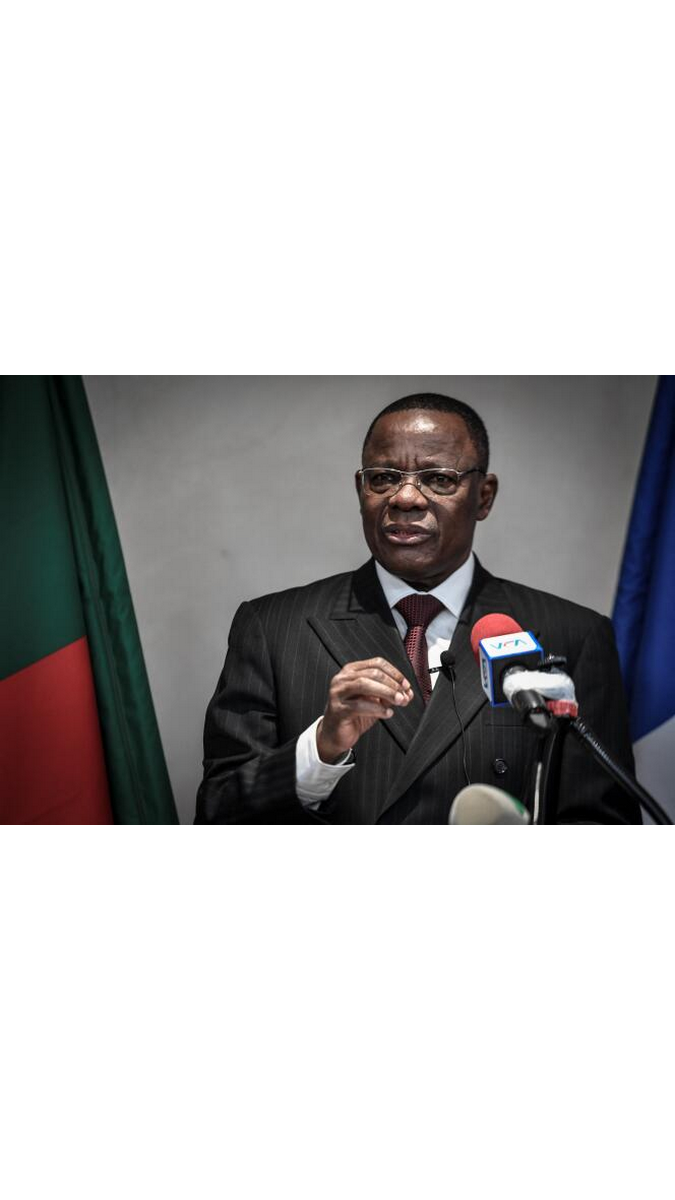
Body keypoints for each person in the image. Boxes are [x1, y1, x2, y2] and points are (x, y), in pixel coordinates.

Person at [195, 394, 641, 824]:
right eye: (383, 478)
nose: (405, 498)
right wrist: (321, 747)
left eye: (439, 479)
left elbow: (601, 823)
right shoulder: (274, 628)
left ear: (484, 497)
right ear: (361, 489)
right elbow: (218, 812)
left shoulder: (572, 635)